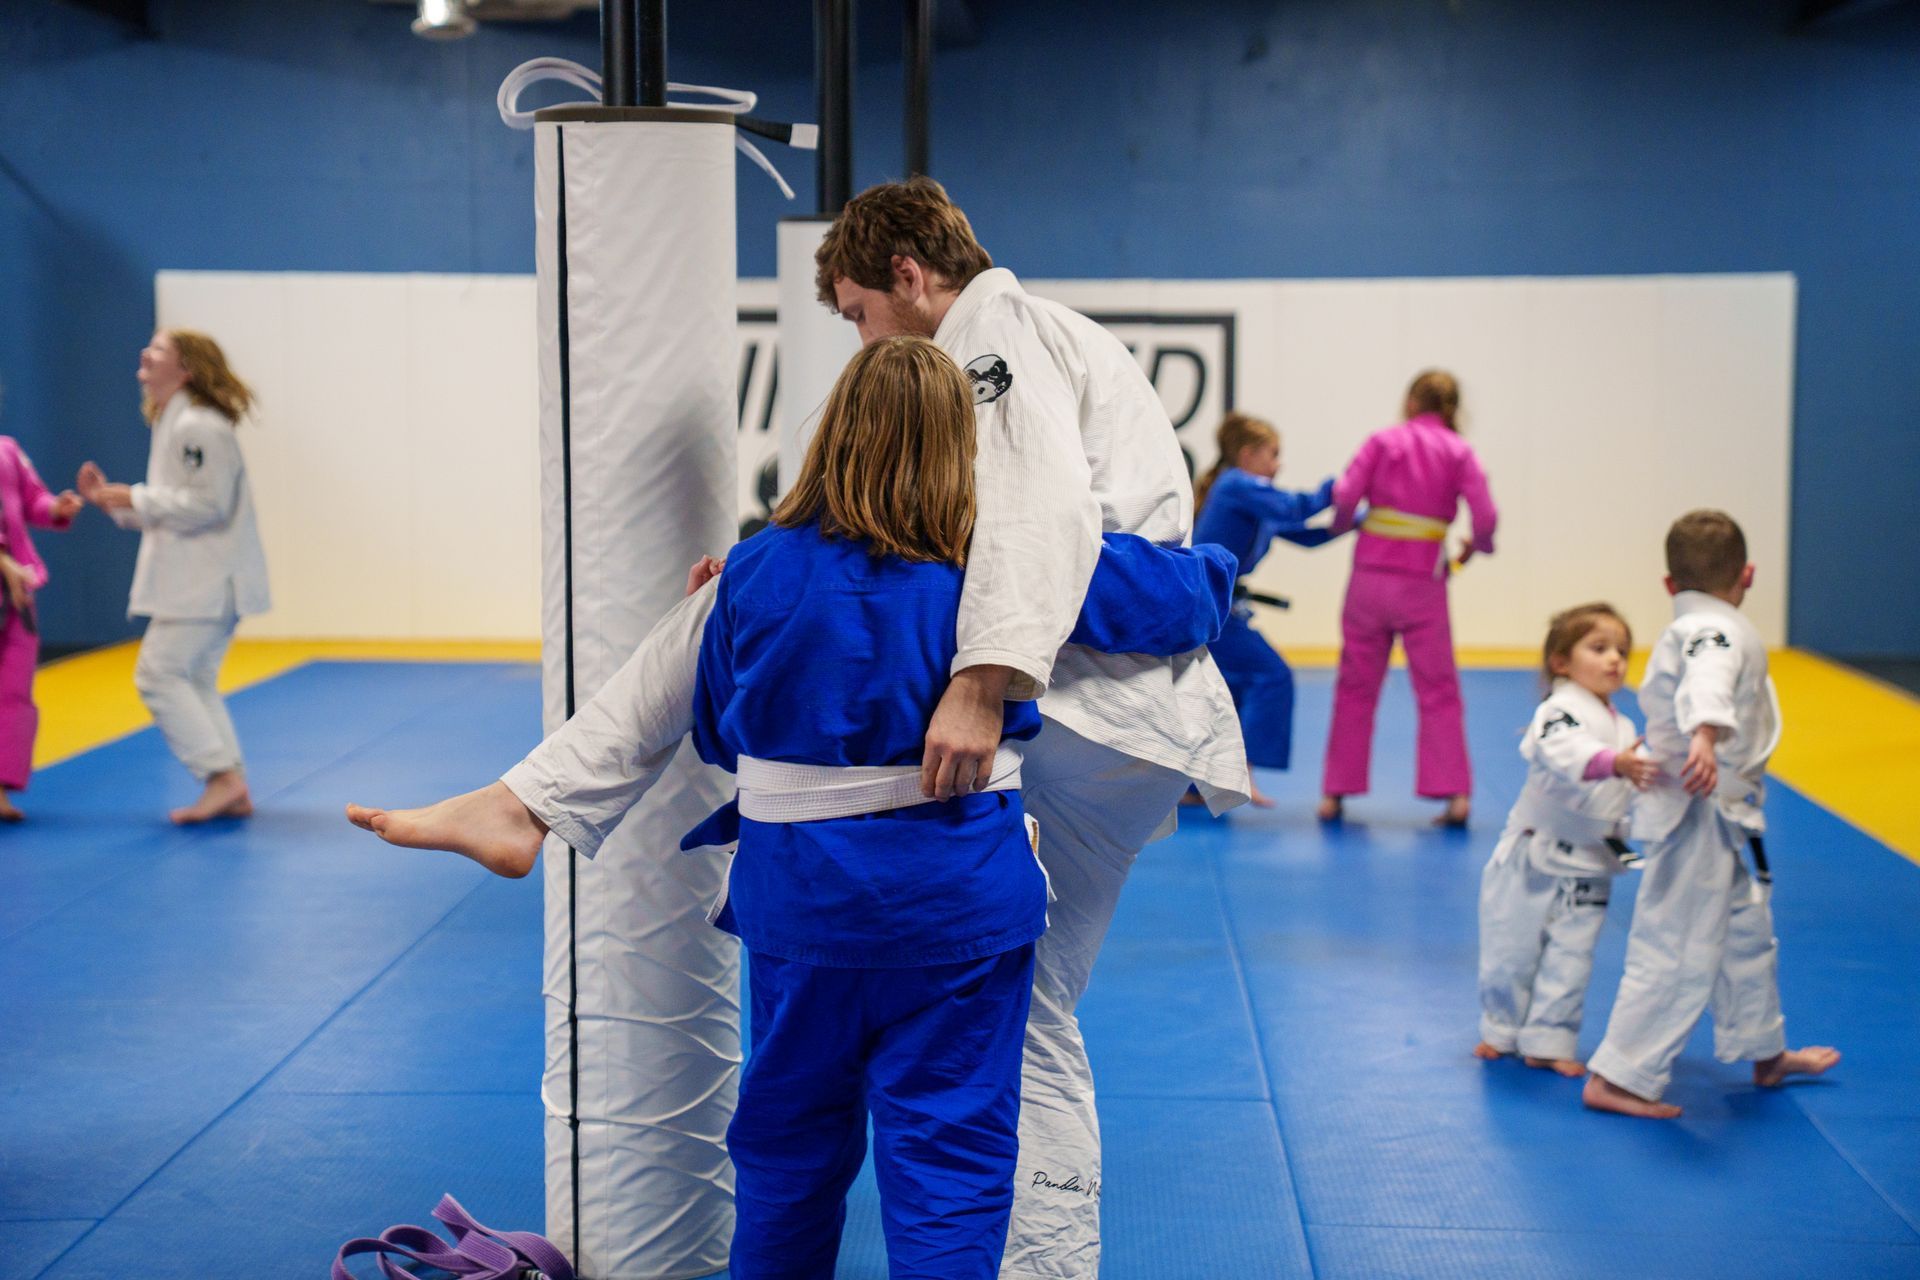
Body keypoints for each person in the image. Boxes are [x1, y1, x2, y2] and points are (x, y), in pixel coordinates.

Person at [347, 177, 1247, 1280]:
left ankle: (530, 797)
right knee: (967, 1106)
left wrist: (973, 672)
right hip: (980, 844)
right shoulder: (949, 545)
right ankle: (530, 799)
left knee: (815, 1132)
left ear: (909, 280)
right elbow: (1096, 571)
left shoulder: (993, 354)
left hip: (867, 849)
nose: (862, 329)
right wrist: (1204, 580)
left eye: (859, 310)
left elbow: (1040, 540)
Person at [1582, 511, 1839, 1118]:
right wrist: (1703, 735)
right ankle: (1618, 1076)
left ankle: (1764, 1050)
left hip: (1718, 811)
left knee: (1745, 936)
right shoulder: (1713, 630)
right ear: (1746, 575)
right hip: (1696, 807)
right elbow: (1709, 675)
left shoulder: (1698, 624)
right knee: (1673, 943)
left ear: (1669, 585)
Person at [78, 330, 271, 824]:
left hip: (205, 582)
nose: (145, 354)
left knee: (158, 674)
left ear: (185, 369)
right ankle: (232, 784)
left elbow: (209, 504)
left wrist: (136, 498)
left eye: (159, 350)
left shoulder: (200, 426)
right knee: (194, 679)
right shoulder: (174, 422)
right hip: (196, 580)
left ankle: (221, 778)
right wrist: (117, 503)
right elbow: (175, 507)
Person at [1474, 603, 1657, 1077]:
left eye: (1621, 650)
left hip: (1592, 861)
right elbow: (1565, 752)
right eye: (1598, 649)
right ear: (1561, 662)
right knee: (1511, 951)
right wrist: (1614, 764)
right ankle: (1500, 1028)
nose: (1615, 659)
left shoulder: (1625, 728)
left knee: (1572, 958)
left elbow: (1641, 779)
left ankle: (1549, 1040)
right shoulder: (1556, 713)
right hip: (1532, 857)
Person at [1319, 370, 1497, 828]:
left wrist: (1342, 525)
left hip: (1369, 580)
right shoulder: (1460, 451)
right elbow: (1485, 517)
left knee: (1355, 687)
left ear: (1411, 401)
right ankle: (1454, 796)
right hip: (1423, 585)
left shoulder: (1381, 441)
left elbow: (1345, 496)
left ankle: (1335, 793)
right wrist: (1477, 547)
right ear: (1452, 408)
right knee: (1438, 690)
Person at [1191, 411, 1340, 805]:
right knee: (1272, 675)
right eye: (1272, 454)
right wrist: (1341, 488)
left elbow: (1302, 534)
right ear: (1247, 454)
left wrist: (1355, 521)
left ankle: (1197, 785)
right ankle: (1239, 774)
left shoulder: (1248, 496)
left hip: (1215, 604)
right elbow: (1296, 507)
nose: (1278, 464)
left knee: (1228, 689)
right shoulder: (1237, 484)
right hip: (1209, 604)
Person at [0, 384, 84, 821]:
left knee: (13, 691)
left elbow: (32, 499)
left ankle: (1, 787)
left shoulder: (9, 451)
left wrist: (57, 507)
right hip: (8, 577)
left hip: (16, 596)